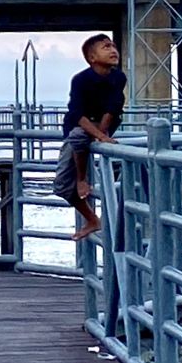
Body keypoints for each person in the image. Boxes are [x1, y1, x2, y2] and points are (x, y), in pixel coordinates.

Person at [54, 34, 127, 241]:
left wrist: (101, 135)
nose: (113, 50)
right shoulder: (81, 80)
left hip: (103, 124)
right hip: (80, 124)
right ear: (92, 58)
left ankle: (86, 186)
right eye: (106, 47)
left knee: (85, 138)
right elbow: (77, 115)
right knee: (61, 186)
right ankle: (87, 201)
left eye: (114, 46)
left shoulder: (118, 77)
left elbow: (113, 108)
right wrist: (97, 136)